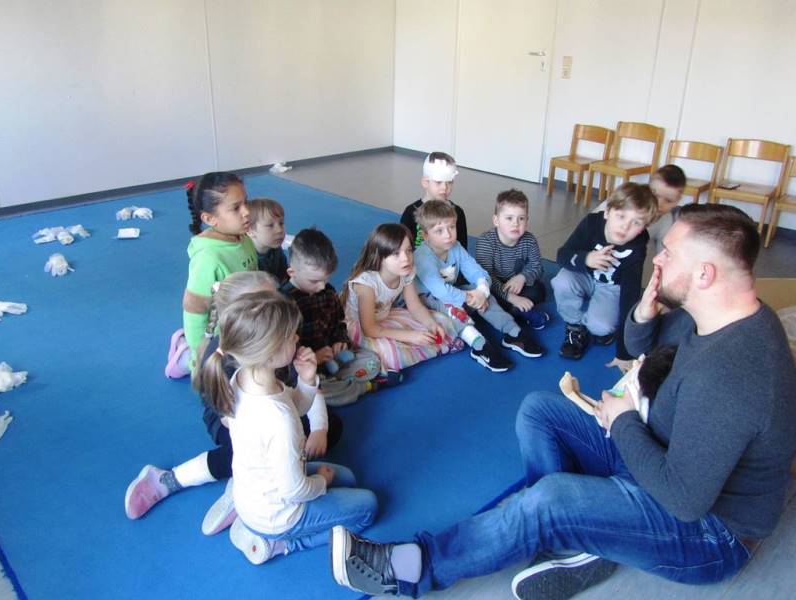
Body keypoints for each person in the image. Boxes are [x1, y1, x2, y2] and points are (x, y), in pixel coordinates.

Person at [327, 203, 796, 599]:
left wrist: (624, 420)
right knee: (540, 411)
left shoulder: (736, 371)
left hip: (708, 532)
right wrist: (643, 311)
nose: (656, 259)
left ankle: (411, 568)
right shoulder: (707, 314)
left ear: (704, 274)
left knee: (552, 500)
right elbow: (640, 346)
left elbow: (685, 500)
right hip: (659, 450)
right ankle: (571, 536)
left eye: (668, 254)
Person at [125, 272, 343, 535]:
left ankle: (253, 484)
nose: (277, 306)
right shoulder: (226, 358)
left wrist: (318, 429)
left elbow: (304, 385)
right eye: (265, 302)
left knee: (332, 426)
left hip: (276, 407)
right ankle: (170, 480)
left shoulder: (279, 333)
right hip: (233, 420)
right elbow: (233, 419)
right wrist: (279, 435)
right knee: (242, 454)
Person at [199, 291, 377, 564]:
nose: (297, 338)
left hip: (259, 490)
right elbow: (294, 490)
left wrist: (307, 380)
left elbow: (296, 405)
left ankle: (248, 519)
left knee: (349, 478)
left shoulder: (245, 377)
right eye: (290, 335)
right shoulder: (278, 420)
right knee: (368, 507)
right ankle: (281, 544)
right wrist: (322, 482)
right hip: (280, 515)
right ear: (269, 353)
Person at [413, 200, 543, 373]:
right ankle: (480, 346)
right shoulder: (422, 256)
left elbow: (477, 271)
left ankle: (512, 332)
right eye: (439, 231)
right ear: (425, 235)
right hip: (428, 300)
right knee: (452, 309)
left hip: (453, 293)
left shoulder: (455, 247)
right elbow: (439, 291)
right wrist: (469, 297)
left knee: (486, 296)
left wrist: (481, 291)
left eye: (451, 227)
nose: (448, 235)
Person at [281, 228, 396, 406]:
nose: (322, 287)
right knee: (315, 392)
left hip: (334, 358)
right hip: (306, 369)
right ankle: (364, 386)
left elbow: (338, 322)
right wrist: (314, 358)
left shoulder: (327, 292)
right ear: (292, 273)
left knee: (371, 360)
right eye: (314, 281)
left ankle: (342, 381)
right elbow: (282, 355)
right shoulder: (284, 303)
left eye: (325, 280)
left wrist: (339, 341)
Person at [552, 182, 656, 367]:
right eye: (621, 216)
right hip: (584, 276)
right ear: (607, 212)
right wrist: (586, 258)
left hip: (611, 286)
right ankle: (574, 326)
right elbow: (562, 255)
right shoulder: (592, 223)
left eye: (636, 222)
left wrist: (624, 354)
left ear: (644, 227)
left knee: (601, 327)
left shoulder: (637, 247)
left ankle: (596, 322)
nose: (625, 226)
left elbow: (630, 297)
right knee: (562, 281)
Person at [165, 172, 257, 379]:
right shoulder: (208, 258)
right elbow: (195, 309)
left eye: (246, 202)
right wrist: (198, 356)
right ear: (209, 219)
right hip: (219, 336)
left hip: (242, 324)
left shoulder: (243, 239)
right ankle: (184, 356)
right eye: (236, 208)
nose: (246, 212)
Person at [342, 223, 462, 376]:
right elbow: (369, 329)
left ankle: (425, 347)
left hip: (385, 317)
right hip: (360, 326)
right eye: (396, 254)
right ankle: (419, 351)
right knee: (387, 354)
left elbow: (415, 306)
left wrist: (431, 324)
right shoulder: (366, 284)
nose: (405, 258)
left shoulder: (406, 272)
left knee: (442, 321)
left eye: (409, 251)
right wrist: (409, 336)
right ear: (380, 257)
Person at [474, 188, 549, 331]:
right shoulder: (486, 241)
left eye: (521, 218)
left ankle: (514, 310)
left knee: (539, 290)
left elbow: (537, 266)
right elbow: (485, 277)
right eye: (509, 218)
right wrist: (512, 298)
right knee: (484, 297)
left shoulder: (529, 240)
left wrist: (522, 277)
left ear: (527, 221)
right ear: (496, 220)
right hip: (492, 285)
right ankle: (517, 310)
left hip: (516, 285)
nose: (516, 224)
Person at [594, 164, 686, 257]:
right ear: (648, 187)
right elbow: (590, 224)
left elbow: (664, 255)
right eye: (655, 195)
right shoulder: (623, 201)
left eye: (668, 200)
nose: (659, 203)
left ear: (677, 201)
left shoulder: (666, 221)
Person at [400, 152, 468, 250]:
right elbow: (402, 246)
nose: (444, 187)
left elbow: (462, 247)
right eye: (438, 182)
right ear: (425, 182)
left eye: (449, 182)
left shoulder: (457, 212)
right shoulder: (411, 212)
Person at [247, 198, 288, 283]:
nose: (279, 230)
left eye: (281, 223)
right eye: (270, 225)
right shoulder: (248, 260)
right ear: (250, 231)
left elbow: (284, 275)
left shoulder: (275, 247)